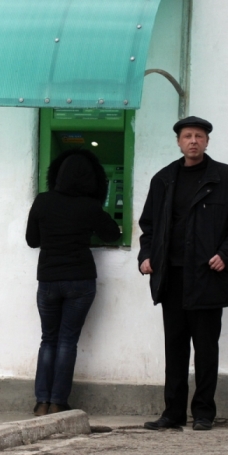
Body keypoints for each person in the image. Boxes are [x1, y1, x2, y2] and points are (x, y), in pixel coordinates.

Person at [139, 116, 228, 432]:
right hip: (171, 277)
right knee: (175, 349)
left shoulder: (223, 178)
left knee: (206, 350)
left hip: (206, 278)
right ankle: (172, 413)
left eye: (199, 136)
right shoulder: (163, 179)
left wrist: (224, 254)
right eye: (188, 136)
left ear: (207, 142)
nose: (193, 141)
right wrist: (146, 255)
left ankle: (203, 413)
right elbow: (148, 226)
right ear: (178, 141)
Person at [26, 149, 120, 416]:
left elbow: (32, 240)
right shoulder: (89, 206)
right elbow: (112, 234)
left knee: (48, 340)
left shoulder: (42, 201)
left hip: (48, 280)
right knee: (67, 341)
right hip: (80, 280)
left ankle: (41, 402)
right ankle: (59, 401)